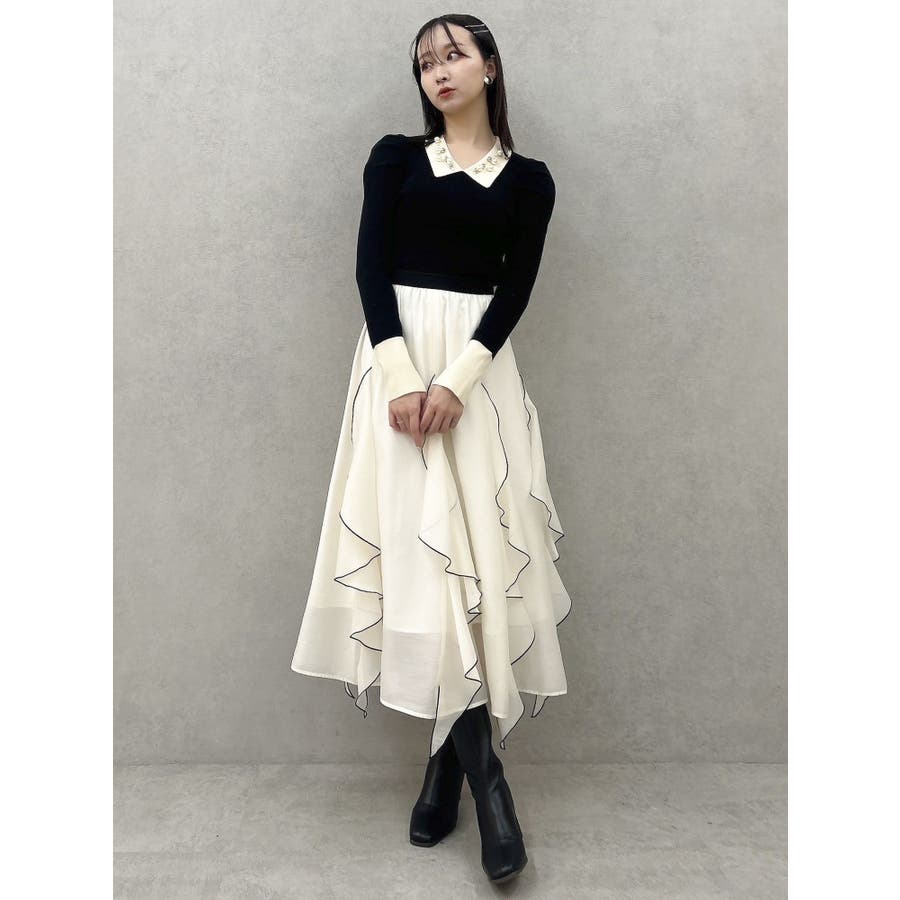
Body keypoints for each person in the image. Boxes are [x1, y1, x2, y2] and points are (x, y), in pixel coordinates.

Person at [290, 14, 572, 884]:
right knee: (422, 557)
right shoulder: (395, 158)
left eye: (453, 55)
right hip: (396, 368)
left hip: (475, 378)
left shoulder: (529, 180)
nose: (438, 71)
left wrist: (457, 381)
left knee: (473, 559)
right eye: (424, 62)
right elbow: (370, 267)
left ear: (490, 67)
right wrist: (402, 376)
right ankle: (488, 783)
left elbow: (515, 288)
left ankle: (450, 771)